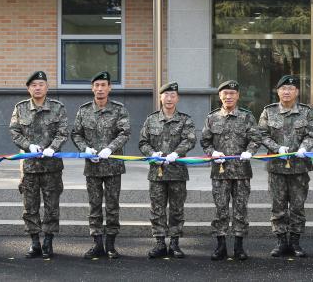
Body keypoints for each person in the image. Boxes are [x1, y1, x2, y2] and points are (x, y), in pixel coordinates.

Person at [259, 75, 313, 258]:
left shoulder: (306, 112)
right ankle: (280, 242)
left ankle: (295, 242)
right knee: (277, 206)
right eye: (283, 88)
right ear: (278, 91)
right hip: (276, 167)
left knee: (297, 206)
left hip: (299, 168)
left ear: (297, 92)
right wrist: (277, 148)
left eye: (291, 89)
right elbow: (261, 134)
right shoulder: (268, 112)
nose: (287, 92)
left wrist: (304, 147)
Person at [71, 71, 130, 259]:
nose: (100, 89)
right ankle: (97, 244)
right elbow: (76, 134)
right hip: (93, 167)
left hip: (113, 166)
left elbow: (124, 132)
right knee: (94, 206)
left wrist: (110, 149)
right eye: (96, 85)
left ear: (110, 88)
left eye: (103, 85)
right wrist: (85, 149)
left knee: (112, 206)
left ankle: (111, 245)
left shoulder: (119, 109)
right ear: (92, 88)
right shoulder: (84, 110)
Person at [10, 71, 69, 259]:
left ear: (47, 87)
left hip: (52, 166)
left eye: (41, 84)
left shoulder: (57, 108)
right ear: (29, 88)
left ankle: (48, 241)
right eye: (34, 84)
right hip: (30, 167)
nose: (37, 87)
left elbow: (63, 132)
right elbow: (14, 132)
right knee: (30, 206)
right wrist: (28, 146)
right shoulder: (20, 108)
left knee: (52, 205)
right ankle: (34, 242)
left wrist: (53, 147)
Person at [201, 80, 261, 261]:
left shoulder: (247, 117)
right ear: (219, 96)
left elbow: (255, 139)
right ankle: (220, 246)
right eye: (225, 93)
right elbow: (205, 141)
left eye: (232, 93)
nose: (228, 96)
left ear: (238, 96)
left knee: (240, 210)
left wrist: (249, 152)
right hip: (220, 172)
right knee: (221, 210)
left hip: (242, 171)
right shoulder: (212, 118)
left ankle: (239, 246)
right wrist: (213, 152)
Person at [139, 81, 197, 259]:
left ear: (177, 98)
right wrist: (152, 153)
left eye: (173, 95)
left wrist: (176, 153)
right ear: (160, 97)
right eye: (166, 95)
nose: (169, 98)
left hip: (177, 171)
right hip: (157, 173)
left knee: (177, 209)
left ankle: (174, 243)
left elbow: (190, 140)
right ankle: (159, 243)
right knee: (157, 209)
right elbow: (142, 142)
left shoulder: (185, 120)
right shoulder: (151, 119)